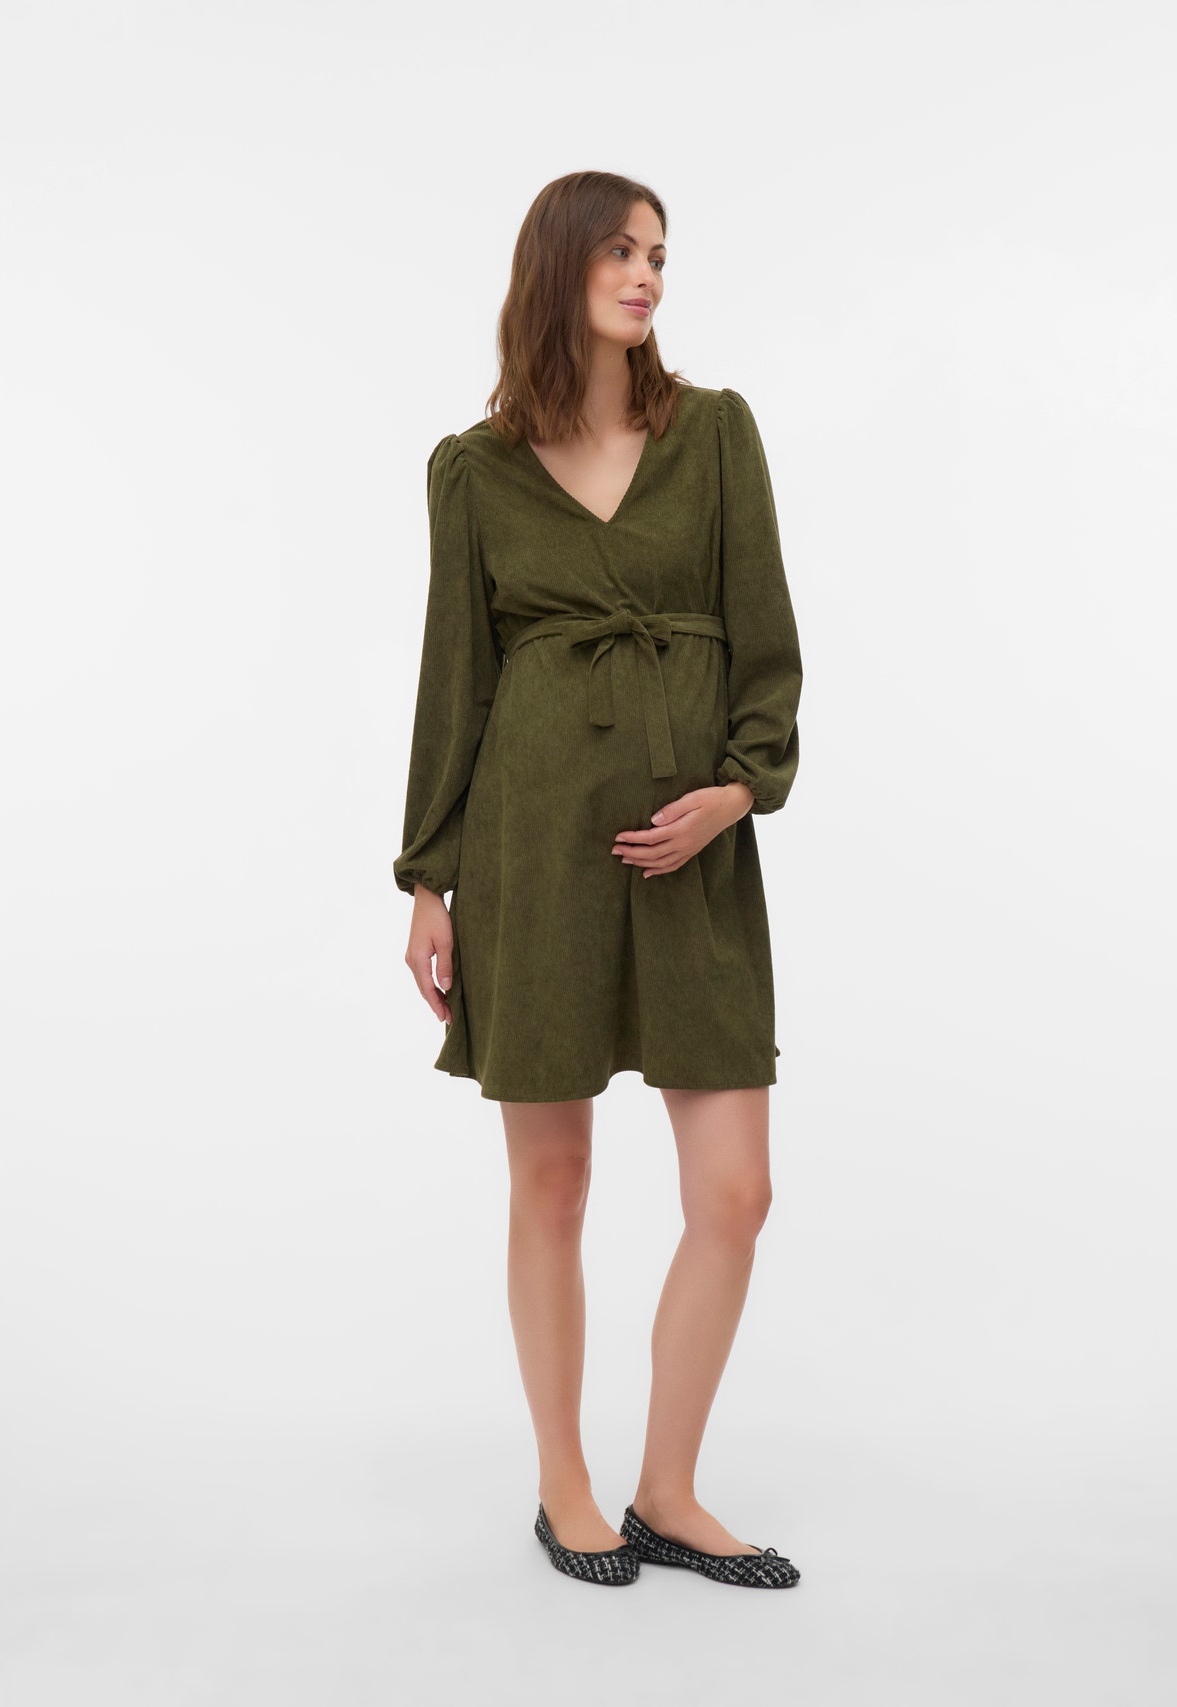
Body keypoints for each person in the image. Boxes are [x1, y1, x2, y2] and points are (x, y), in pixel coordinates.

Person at [393, 171, 804, 1589]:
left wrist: (736, 791)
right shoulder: (473, 470)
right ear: (558, 266)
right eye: (621, 251)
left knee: (735, 1192)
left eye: (660, 256)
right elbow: (455, 678)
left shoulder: (716, 434)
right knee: (554, 1180)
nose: (647, 276)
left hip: (697, 858)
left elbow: (767, 642)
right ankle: (564, 1486)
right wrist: (429, 879)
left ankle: (669, 1491)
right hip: (534, 853)